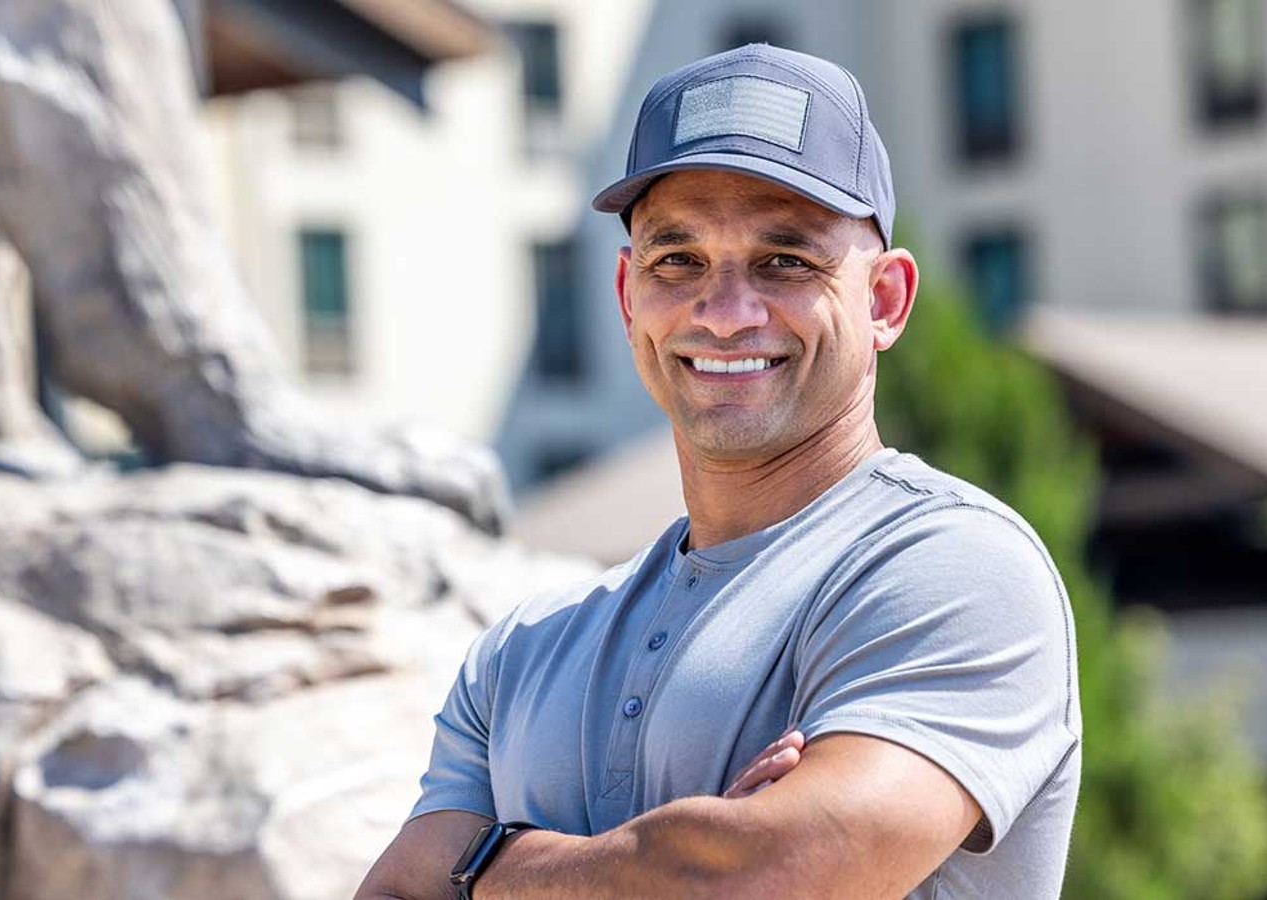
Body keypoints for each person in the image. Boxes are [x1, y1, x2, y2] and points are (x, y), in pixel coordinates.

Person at [356, 43, 1080, 900]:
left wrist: (476, 867)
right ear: (628, 296)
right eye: (678, 260)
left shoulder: (953, 570)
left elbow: (757, 878)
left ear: (884, 300)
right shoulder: (521, 652)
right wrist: (684, 854)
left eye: (786, 261)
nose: (727, 314)